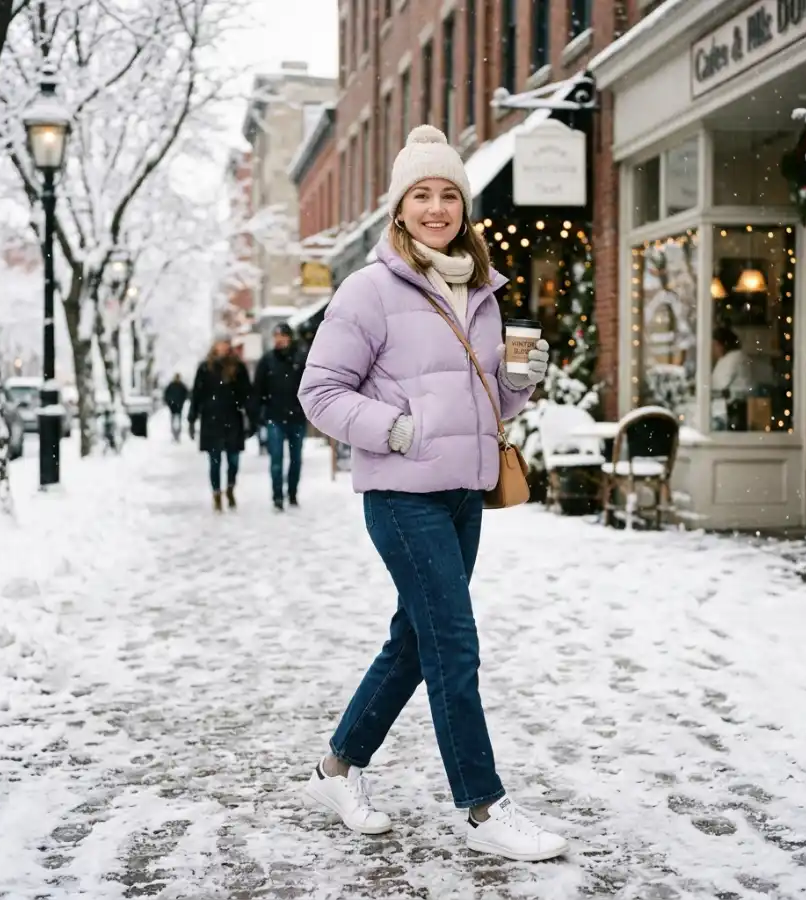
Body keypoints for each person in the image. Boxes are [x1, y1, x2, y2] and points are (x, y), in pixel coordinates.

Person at [298, 125, 562, 862]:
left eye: (449, 194)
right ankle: (483, 807)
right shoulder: (368, 290)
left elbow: (488, 405)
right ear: (399, 208)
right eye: (422, 194)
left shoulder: (481, 288)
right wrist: (396, 429)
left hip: (463, 495)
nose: (437, 207)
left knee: (416, 641)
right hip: (401, 494)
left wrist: (519, 382)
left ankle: (336, 770)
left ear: (464, 206)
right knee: (453, 643)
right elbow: (319, 392)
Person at [188, 337, 254, 512]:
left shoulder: (238, 368)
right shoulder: (205, 368)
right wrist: (192, 418)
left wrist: (251, 417)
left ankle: (230, 487)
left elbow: (247, 394)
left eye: (225, 344)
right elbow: (197, 394)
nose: (223, 348)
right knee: (214, 461)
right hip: (211, 420)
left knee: (233, 460)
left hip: (233, 419)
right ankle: (216, 493)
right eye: (220, 344)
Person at [254, 322, 308, 510]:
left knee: (296, 460)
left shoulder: (300, 359)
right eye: (276, 336)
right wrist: (259, 414)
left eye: (282, 336)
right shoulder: (267, 360)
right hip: (274, 417)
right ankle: (277, 496)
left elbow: (308, 387)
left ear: (289, 338)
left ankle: (292, 493)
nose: (279, 340)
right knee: (276, 459)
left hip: (297, 417)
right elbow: (258, 389)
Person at [711, 325, 754, 431]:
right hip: (729, 407)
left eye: (715, 345)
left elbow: (719, 385)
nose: (713, 349)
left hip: (734, 409)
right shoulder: (726, 359)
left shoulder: (734, 357)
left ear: (722, 344)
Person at [164, 373, 189, 442]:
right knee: (173, 421)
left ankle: (177, 435)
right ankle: (174, 435)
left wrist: (182, 401)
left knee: (178, 422)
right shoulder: (171, 386)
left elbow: (186, 394)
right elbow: (166, 395)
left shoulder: (181, 386)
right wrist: (169, 402)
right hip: (173, 406)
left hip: (179, 406)